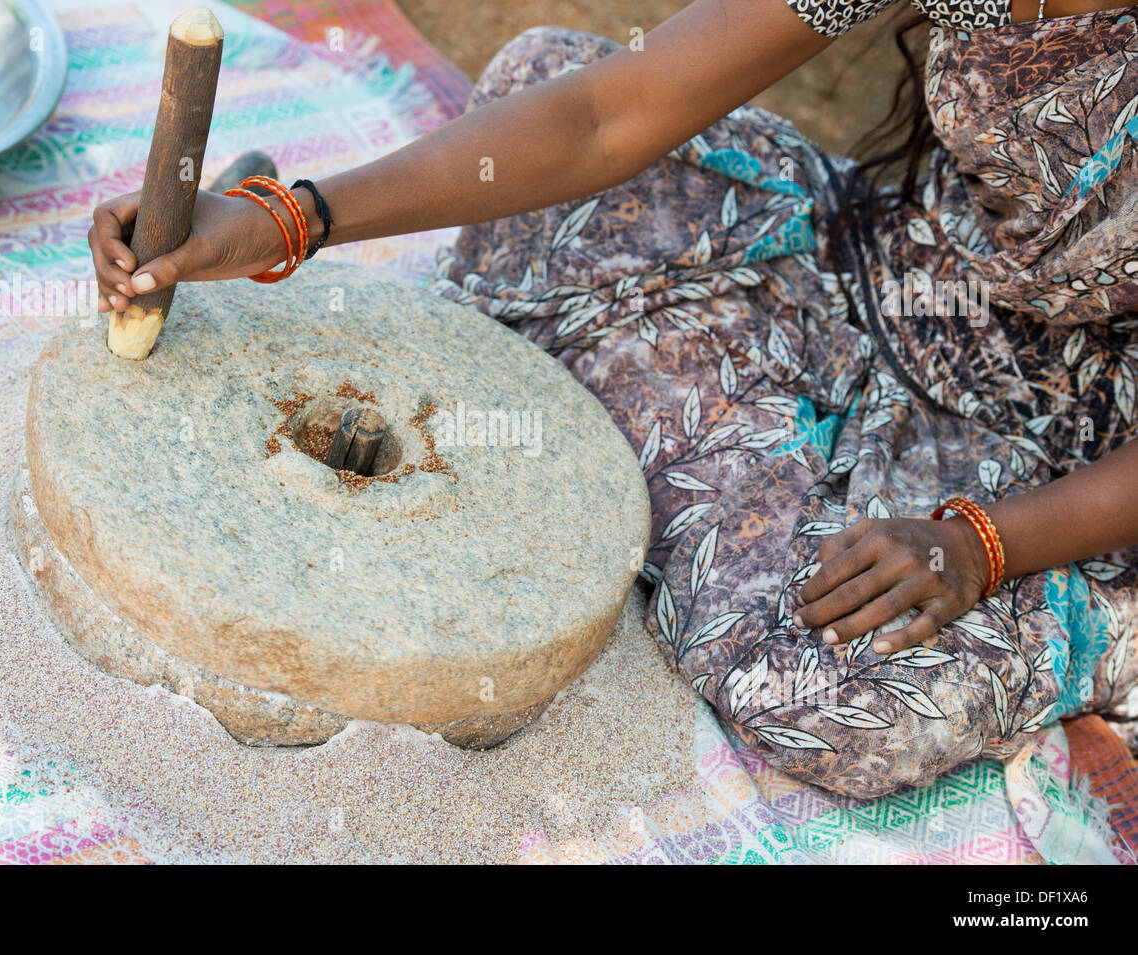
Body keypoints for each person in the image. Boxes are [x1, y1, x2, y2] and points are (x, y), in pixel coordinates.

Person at [88, 0, 1138, 798]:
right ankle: (739, 453)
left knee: (813, 694)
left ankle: (1107, 627)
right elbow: (606, 113)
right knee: (538, 76)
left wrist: (982, 544)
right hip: (865, 267)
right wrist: (288, 219)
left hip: (1040, 453)